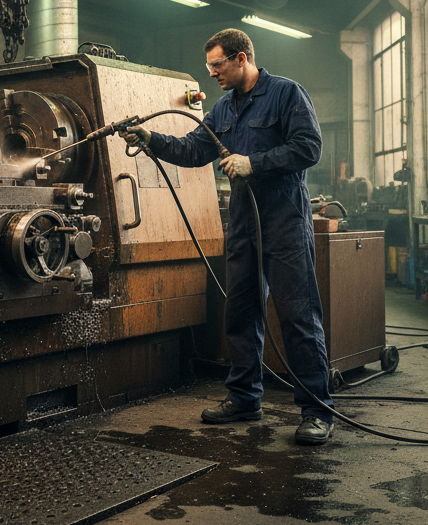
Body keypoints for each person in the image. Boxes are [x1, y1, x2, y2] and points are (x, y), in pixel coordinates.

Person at [120, 28, 334, 444]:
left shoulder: (287, 94)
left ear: (241, 58)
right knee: (240, 313)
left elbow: (309, 148)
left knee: (297, 316)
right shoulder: (222, 109)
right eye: (209, 67)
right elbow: (191, 150)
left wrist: (254, 163)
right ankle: (244, 398)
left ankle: (317, 411)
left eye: (217, 65)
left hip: (285, 221)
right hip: (243, 224)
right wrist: (150, 140)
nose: (213, 73)